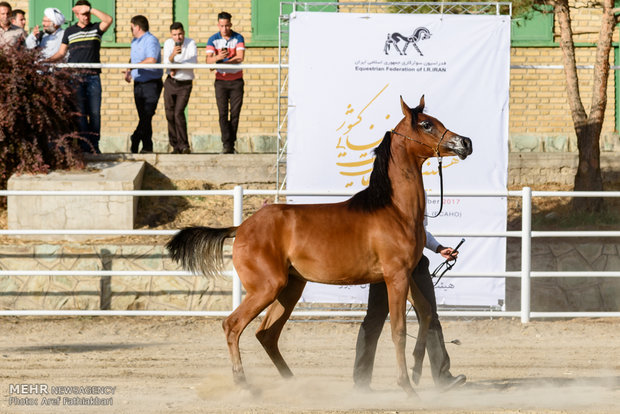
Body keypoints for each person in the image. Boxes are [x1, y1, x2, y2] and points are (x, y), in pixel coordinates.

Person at [353, 211, 467, 392]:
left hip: (415, 262)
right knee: (375, 319)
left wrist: (438, 248)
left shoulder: (418, 194)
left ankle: (443, 377)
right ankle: (361, 383)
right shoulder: (386, 192)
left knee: (429, 316)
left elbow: (420, 231)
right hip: (387, 261)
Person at [46, 0, 113, 154]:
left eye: (88, 13)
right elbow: (62, 53)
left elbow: (108, 20)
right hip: (75, 78)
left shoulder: (96, 28)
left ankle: (94, 147)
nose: (86, 16)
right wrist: (46, 61)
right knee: (81, 113)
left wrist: (90, 8)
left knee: (94, 113)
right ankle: (85, 147)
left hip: (93, 77)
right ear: (76, 14)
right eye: (83, 14)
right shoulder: (69, 31)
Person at [205, 11, 245, 154]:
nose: (225, 29)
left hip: (236, 81)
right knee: (222, 114)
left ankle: (230, 144)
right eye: (222, 26)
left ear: (231, 24)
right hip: (220, 82)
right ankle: (226, 144)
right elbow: (209, 63)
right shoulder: (212, 39)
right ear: (218, 25)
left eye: (227, 26)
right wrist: (218, 57)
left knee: (235, 113)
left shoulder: (238, 37)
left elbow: (240, 57)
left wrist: (225, 60)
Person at [124, 15, 163, 154]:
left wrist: (133, 67)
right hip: (138, 83)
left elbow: (151, 59)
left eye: (131, 27)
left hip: (151, 84)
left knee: (147, 114)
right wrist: (129, 70)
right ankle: (147, 146)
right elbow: (134, 58)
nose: (131, 29)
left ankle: (135, 137)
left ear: (137, 27)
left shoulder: (150, 40)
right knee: (144, 117)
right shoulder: (135, 42)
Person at [163, 22, 196, 154]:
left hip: (185, 83)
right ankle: (175, 146)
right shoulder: (168, 44)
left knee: (178, 113)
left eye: (180, 34)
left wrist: (175, 66)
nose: (178, 37)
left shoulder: (191, 43)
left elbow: (192, 62)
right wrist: (172, 56)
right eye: (175, 35)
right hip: (171, 82)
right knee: (169, 114)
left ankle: (184, 145)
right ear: (171, 35)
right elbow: (165, 62)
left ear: (184, 32)